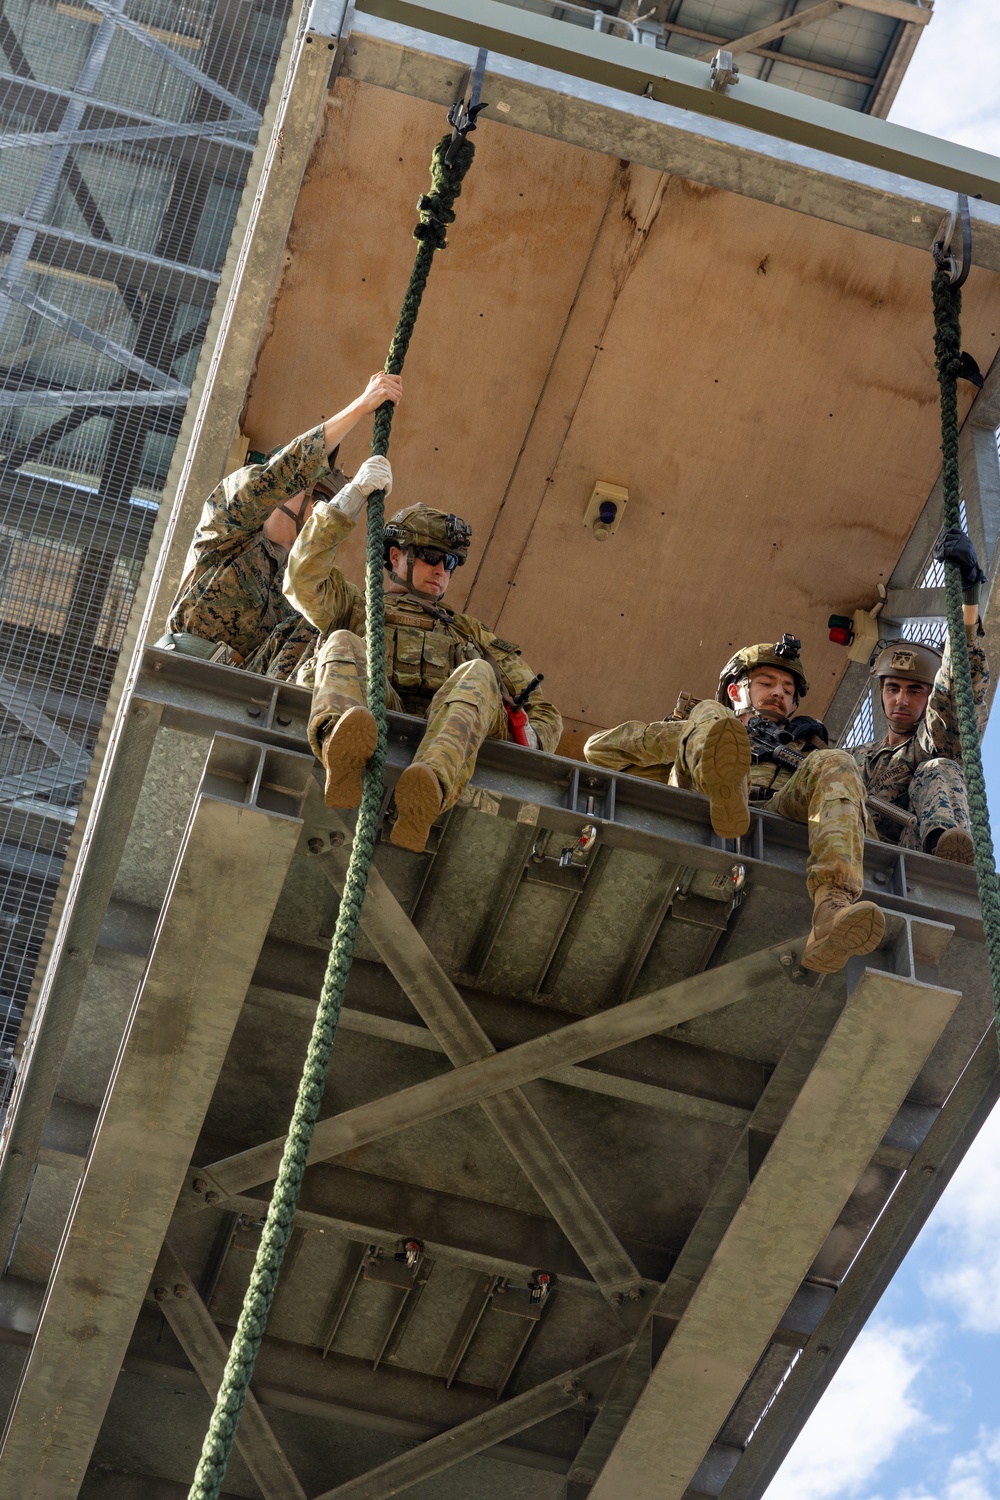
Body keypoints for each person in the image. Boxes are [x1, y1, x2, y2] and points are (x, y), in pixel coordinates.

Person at [284, 464, 561, 853]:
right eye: (431, 556)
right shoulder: (359, 608)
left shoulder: (470, 634)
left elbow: (544, 711)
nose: (441, 571)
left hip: (446, 728)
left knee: (480, 672)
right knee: (344, 640)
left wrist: (527, 739)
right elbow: (302, 579)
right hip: (378, 711)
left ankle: (425, 792)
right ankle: (340, 754)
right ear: (396, 556)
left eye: (450, 563)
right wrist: (350, 498)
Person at [583, 635, 884, 974]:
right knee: (710, 715)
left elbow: (866, 835)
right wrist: (699, 732)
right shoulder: (701, 725)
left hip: (776, 813)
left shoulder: (807, 750)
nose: (779, 694)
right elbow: (599, 749)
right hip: (697, 804)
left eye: (788, 689)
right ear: (735, 690)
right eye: (767, 683)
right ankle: (726, 784)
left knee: (839, 760)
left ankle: (831, 910)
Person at [157, 372, 401, 670]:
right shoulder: (226, 529)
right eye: (319, 497)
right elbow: (278, 476)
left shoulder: (302, 583)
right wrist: (362, 406)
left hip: (246, 690)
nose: (321, 510)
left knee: (326, 627)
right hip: (183, 666)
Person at [851, 528, 989, 865]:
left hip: (911, 855)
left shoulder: (930, 743)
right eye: (892, 688)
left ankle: (945, 852)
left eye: (915, 691)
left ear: (928, 698)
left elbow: (954, 688)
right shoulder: (852, 759)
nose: (901, 699)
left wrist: (968, 594)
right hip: (852, 848)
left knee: (940, 768)